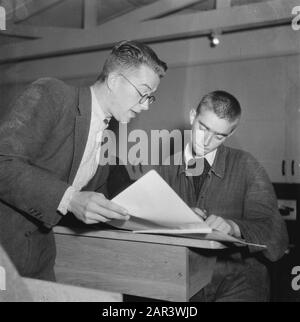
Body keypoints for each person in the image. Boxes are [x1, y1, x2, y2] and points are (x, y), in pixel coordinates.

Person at [0, 40, 167, 281]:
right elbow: (3, 162)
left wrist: (170, 215)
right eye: (143, 93)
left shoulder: (107, 134)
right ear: (114, 81)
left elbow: (100, 199)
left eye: (150, 98)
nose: (145, 106)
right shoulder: (52, 93)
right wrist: (70, 198)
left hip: (36, 259)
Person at [156, 90, 288, 302]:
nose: (207, 141)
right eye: (203, 127)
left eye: (219, 136)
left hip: (240, 280)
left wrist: (234, 228)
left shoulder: (248, 166)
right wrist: (176, 218)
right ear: (192, 116)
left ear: (231, 134)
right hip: (183, 280)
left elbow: (276, 239)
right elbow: (146, 227)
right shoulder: (166, 169)